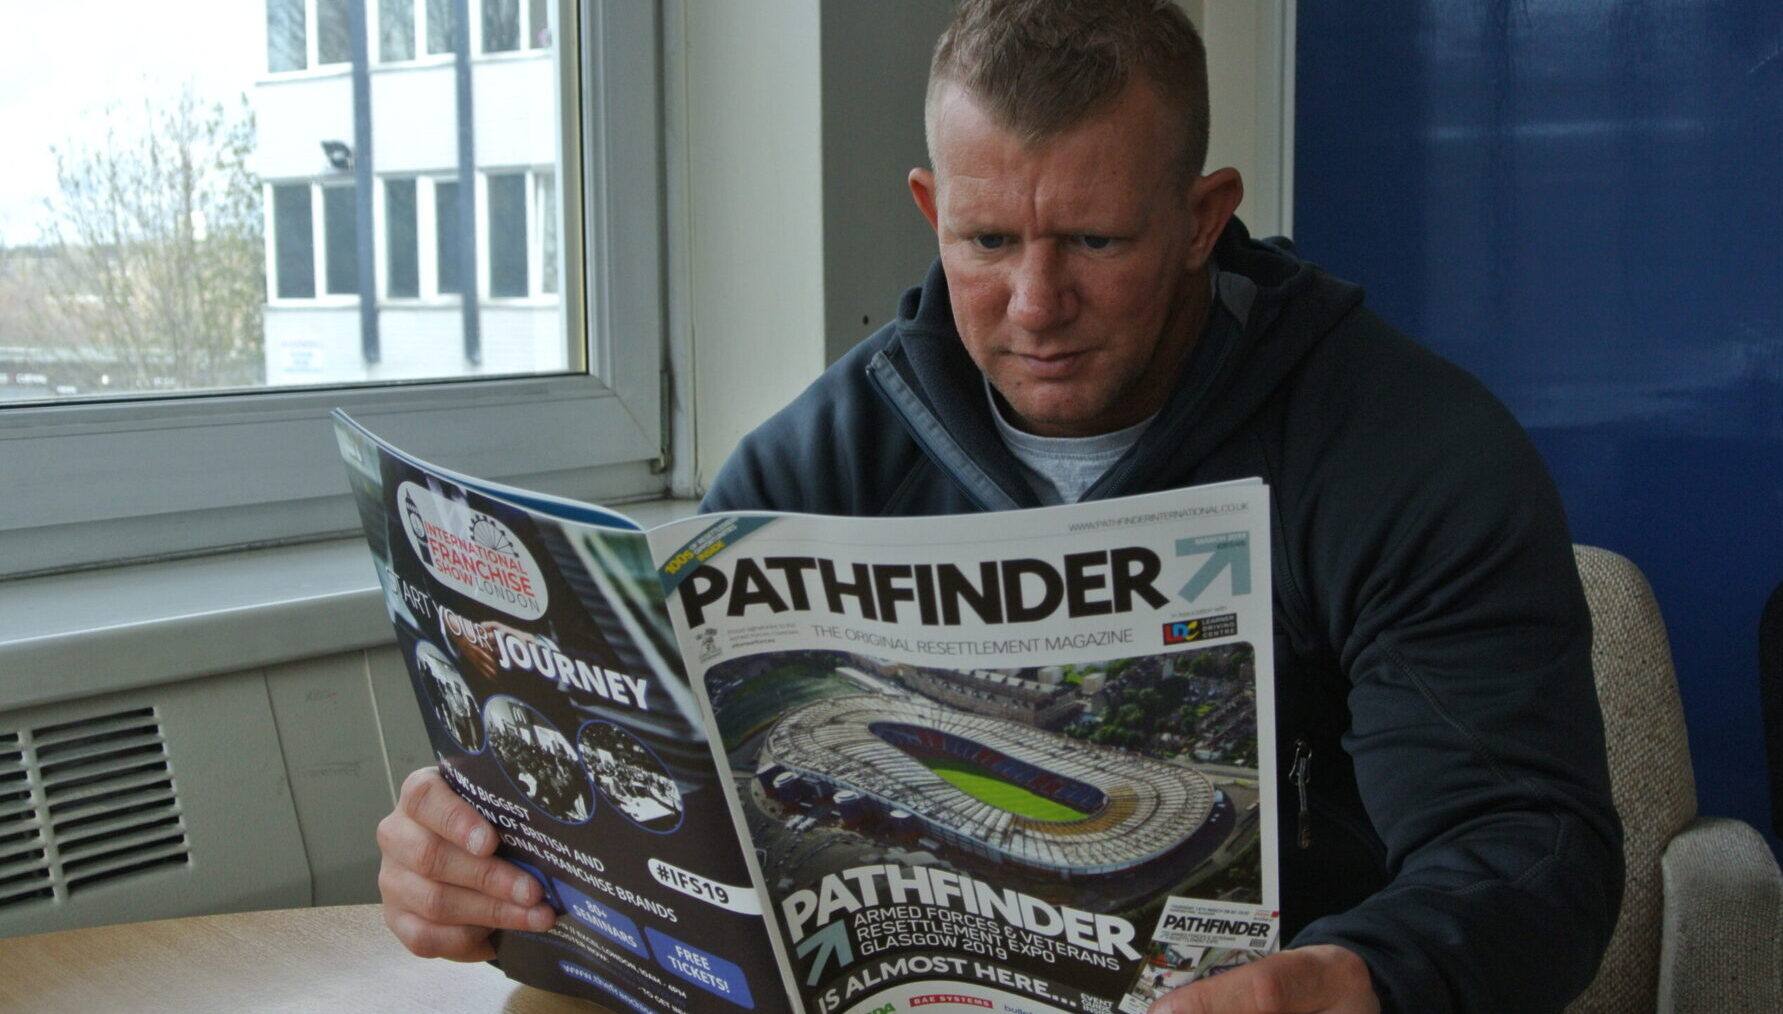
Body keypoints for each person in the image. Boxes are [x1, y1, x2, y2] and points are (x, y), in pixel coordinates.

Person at [374, 2, 1624, 1010]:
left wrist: (1354, 981)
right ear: (931, 210)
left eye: (1091, 242)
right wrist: (504, 875)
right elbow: (681, 831)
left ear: (1201, 219)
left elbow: (1529, 848)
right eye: (984, 243)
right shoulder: (810, 469)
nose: (1034, 305)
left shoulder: (1414, 453)